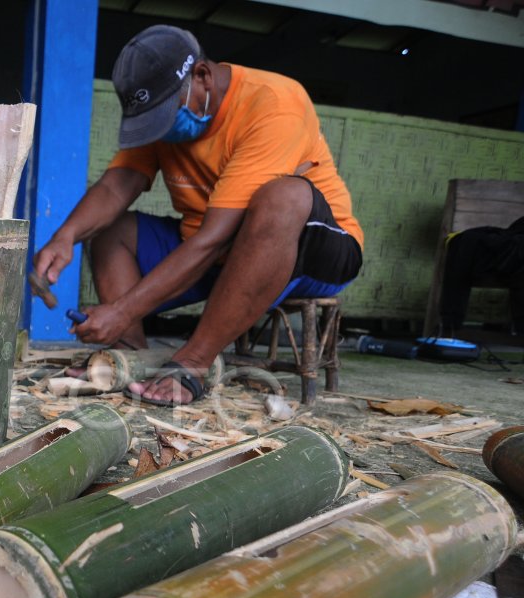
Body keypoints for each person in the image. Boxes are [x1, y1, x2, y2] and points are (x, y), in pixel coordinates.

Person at [34, 25, 363, 406]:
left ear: (203, 76)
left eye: (165, 116)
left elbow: (214, 239)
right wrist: (66, 236)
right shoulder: (168, 112)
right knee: (111, 231)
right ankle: (131, 357)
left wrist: (121, 310)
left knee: (283, 197)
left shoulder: (275, 102)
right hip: (221, 250)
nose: (161, 130)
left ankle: (193, 362)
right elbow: (115, 186)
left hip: (315, 249)